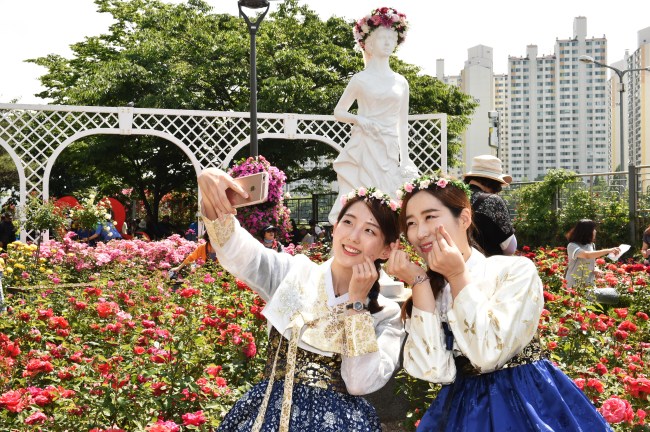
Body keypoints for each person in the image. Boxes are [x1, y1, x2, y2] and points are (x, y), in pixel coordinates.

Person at [385, 174, 612, 431]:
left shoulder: (514, 270)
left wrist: (457, 276)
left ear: (464, 218)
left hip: (525, 402)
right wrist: (419, 283)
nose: (419, 232)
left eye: (430, 217)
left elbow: (487, 354)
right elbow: (432, 370)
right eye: (411, 223)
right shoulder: (431, 289)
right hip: (461, 406)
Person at [198, 167, 403, 432]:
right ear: (335, 226)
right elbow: (236, 250)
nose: (353, 236)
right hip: (269, 414)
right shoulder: (293, 272)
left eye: (369, 231)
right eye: (348, 222)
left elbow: (359, 383)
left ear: (387, 248)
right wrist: (211, 193)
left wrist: (357, 303)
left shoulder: (387, 314)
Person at [328, 7, 418, 224]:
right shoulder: (360, 79)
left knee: (388, 197)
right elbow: (339, 112)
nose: (388, 42)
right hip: (365, 144)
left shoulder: (401, 82)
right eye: (381, 38)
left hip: (389, 147)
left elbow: (402, 123)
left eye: (391, 37)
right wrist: (360, 119)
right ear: (368, 43)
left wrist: (405, 159)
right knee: (362, 196)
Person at [463, 155, 517, 256]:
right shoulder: (492, 201)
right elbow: (510, 247)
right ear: (493, 182)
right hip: (486, 265)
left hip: (455, 264)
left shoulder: (455, 196)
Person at [565, 219, 621, 304]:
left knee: (588, 311)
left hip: (589, 283)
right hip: (574, 284)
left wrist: (595, 269)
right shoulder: (572, 246)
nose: (595, 231)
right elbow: (586, 255)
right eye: (593, 229)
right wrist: (609, 250)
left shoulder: (591, 245)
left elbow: (591, 261)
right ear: (586, 232)